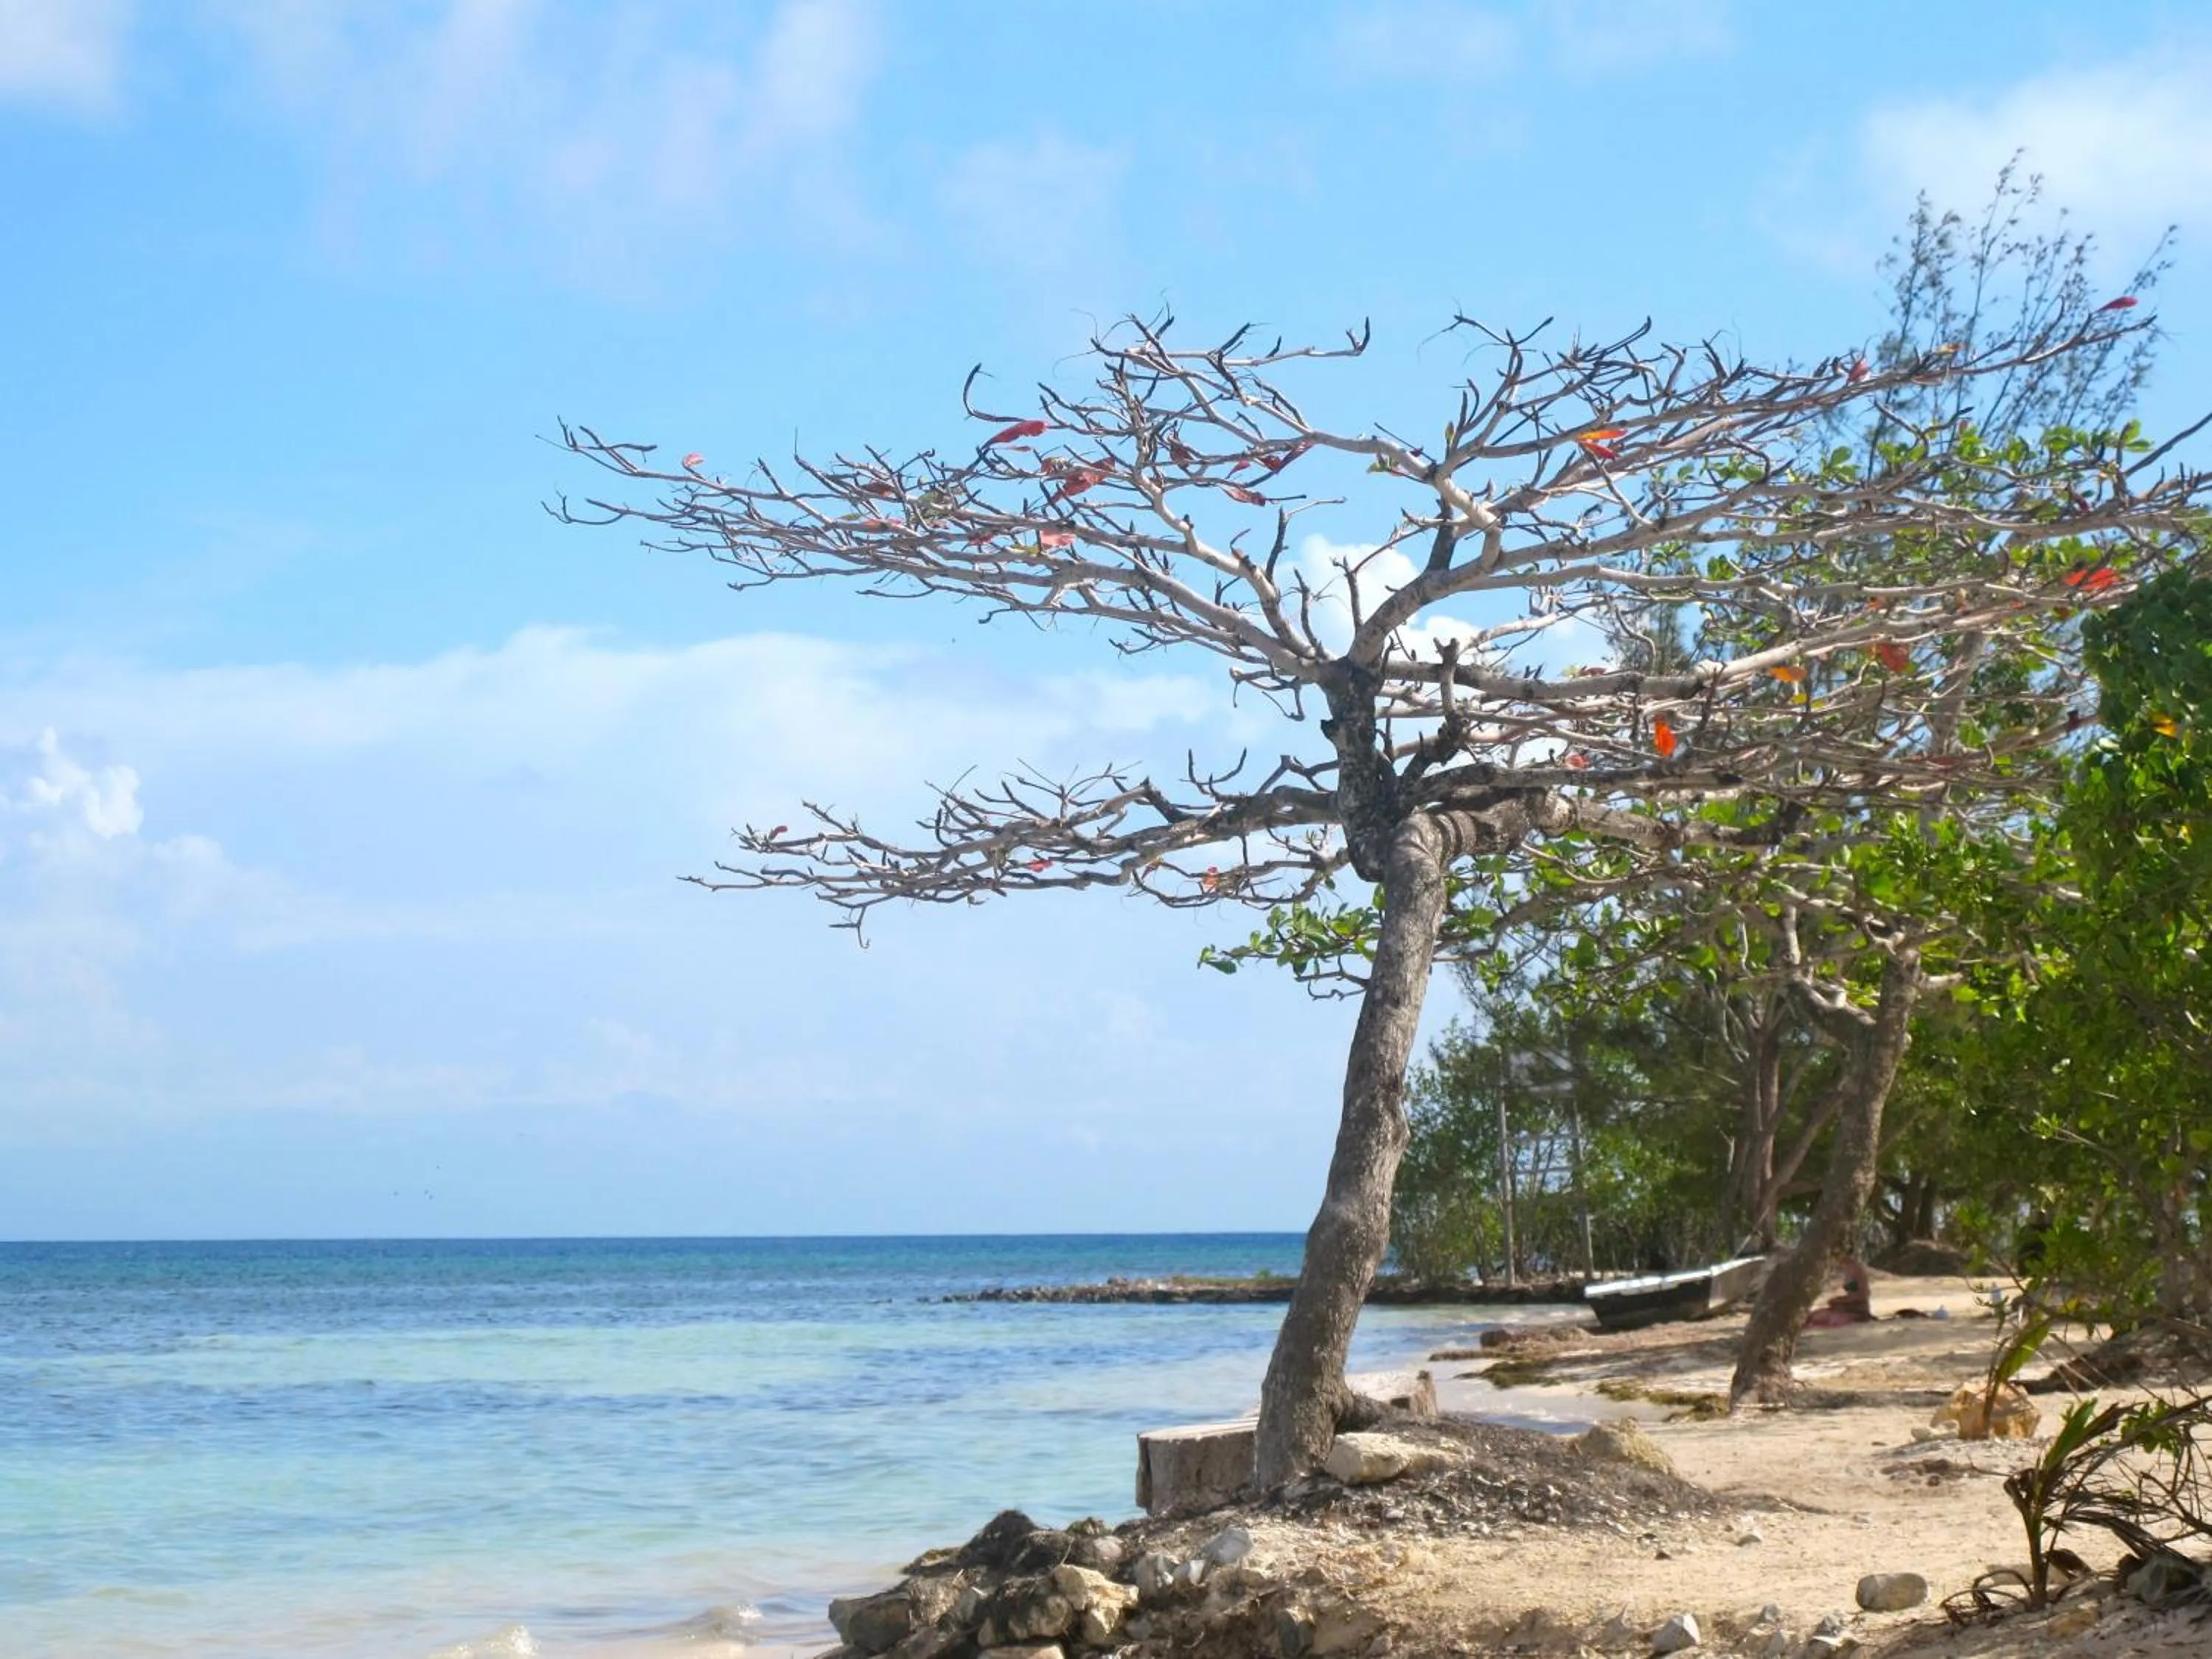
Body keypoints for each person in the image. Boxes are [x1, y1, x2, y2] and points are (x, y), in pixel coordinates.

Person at [1804, 1257, 1875, 1327]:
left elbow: (1859, 1296)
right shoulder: (1850, 1270)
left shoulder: (1856, 1271)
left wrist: (1839, 1301)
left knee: (1817, 1318)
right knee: (1813, 1315)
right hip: (1850, 1307)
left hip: (1856, 1310)